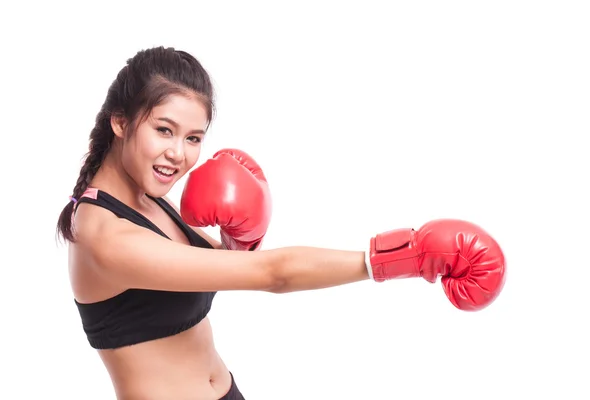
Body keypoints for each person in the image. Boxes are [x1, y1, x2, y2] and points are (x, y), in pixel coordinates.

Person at [56, 46, 506, 400]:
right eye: (164, 130)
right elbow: (273, 274)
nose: (179, 154)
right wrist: (406, 256)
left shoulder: (148, 199)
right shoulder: (104, 236)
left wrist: (237, 242)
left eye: (193, 138)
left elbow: (215, 270)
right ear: (121, 121)